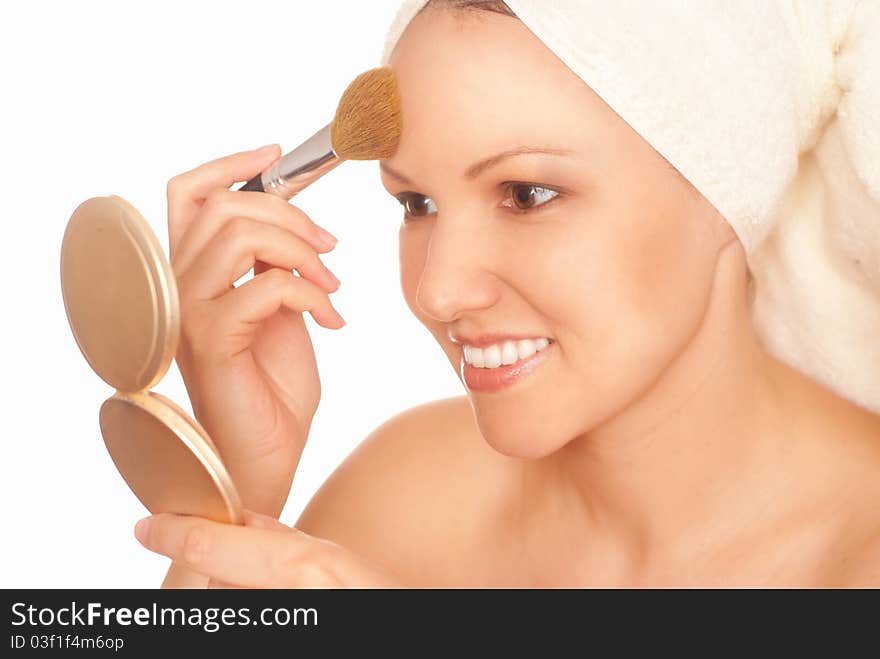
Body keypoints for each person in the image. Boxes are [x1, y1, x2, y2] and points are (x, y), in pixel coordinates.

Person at [135, 0, 880, 587]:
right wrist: (240, 488)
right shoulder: (405, 503)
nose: (439, 291)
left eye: (526, 193)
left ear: (723, 188)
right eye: (416, 203)